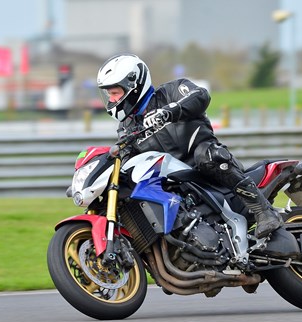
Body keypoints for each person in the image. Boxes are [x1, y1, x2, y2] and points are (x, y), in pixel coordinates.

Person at [96, 53, 287, 253]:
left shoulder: (171, 92)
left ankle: (263, 211)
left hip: (209, 166)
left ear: (133, 86)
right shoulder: (127, 127)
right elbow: (127, 159)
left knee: (207, 156)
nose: (111, 100)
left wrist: (170, 111)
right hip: (176, 181)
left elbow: (201, 96)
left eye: (115, 93)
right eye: (109, 95)